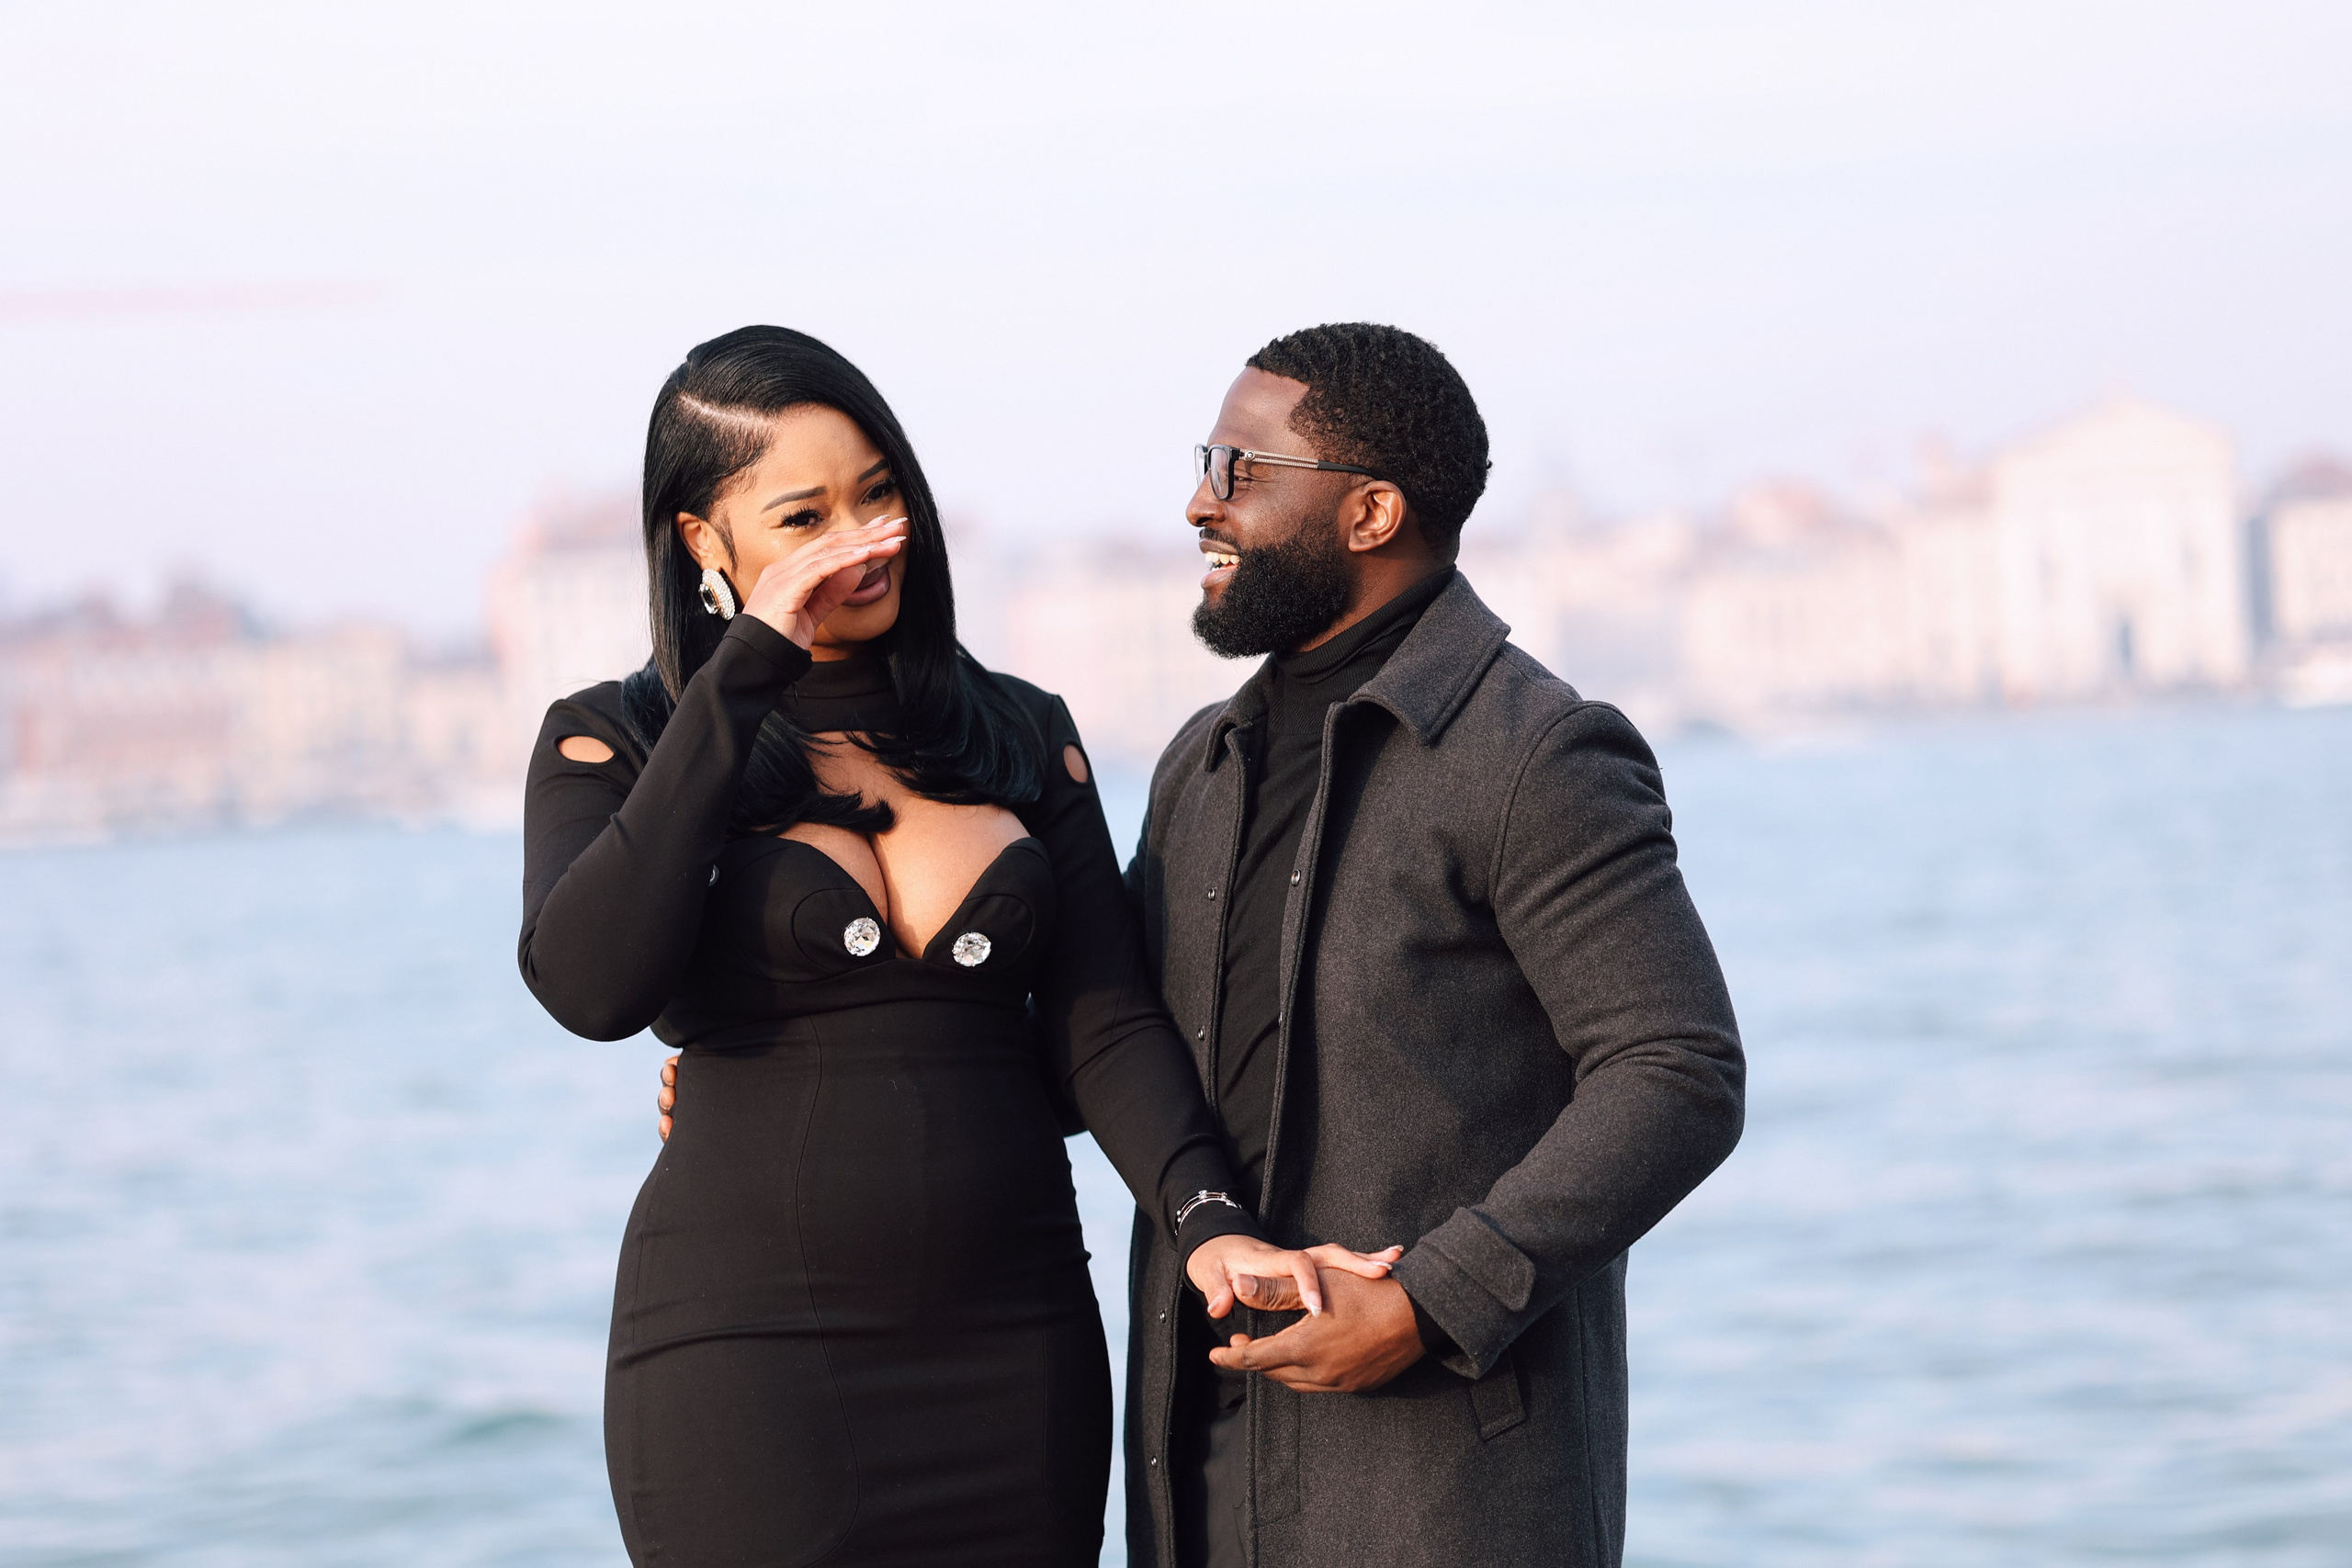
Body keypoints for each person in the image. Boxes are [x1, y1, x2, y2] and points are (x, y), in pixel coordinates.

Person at [517, 325, 1385, 1567]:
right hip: (742, 1364)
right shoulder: (617, 738)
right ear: (708, 545)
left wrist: (1210, 1219)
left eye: (880, 494)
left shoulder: (1022, 732)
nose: (862, 542)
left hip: (1013, 1346)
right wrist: (749, 668)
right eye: (804, 517)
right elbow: (592, 984)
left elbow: (1106, 1020)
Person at [1120, 323, 1748, 1568]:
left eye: (1243, 470)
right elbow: (1106, 1045)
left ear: (1369, 514)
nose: (1200, 501)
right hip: (1192, 1482)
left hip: (1442, 1497)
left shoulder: (1534, 752)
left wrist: (1427, 1303)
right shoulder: (1202, 763)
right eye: (1207, 461)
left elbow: (1677, 1072)